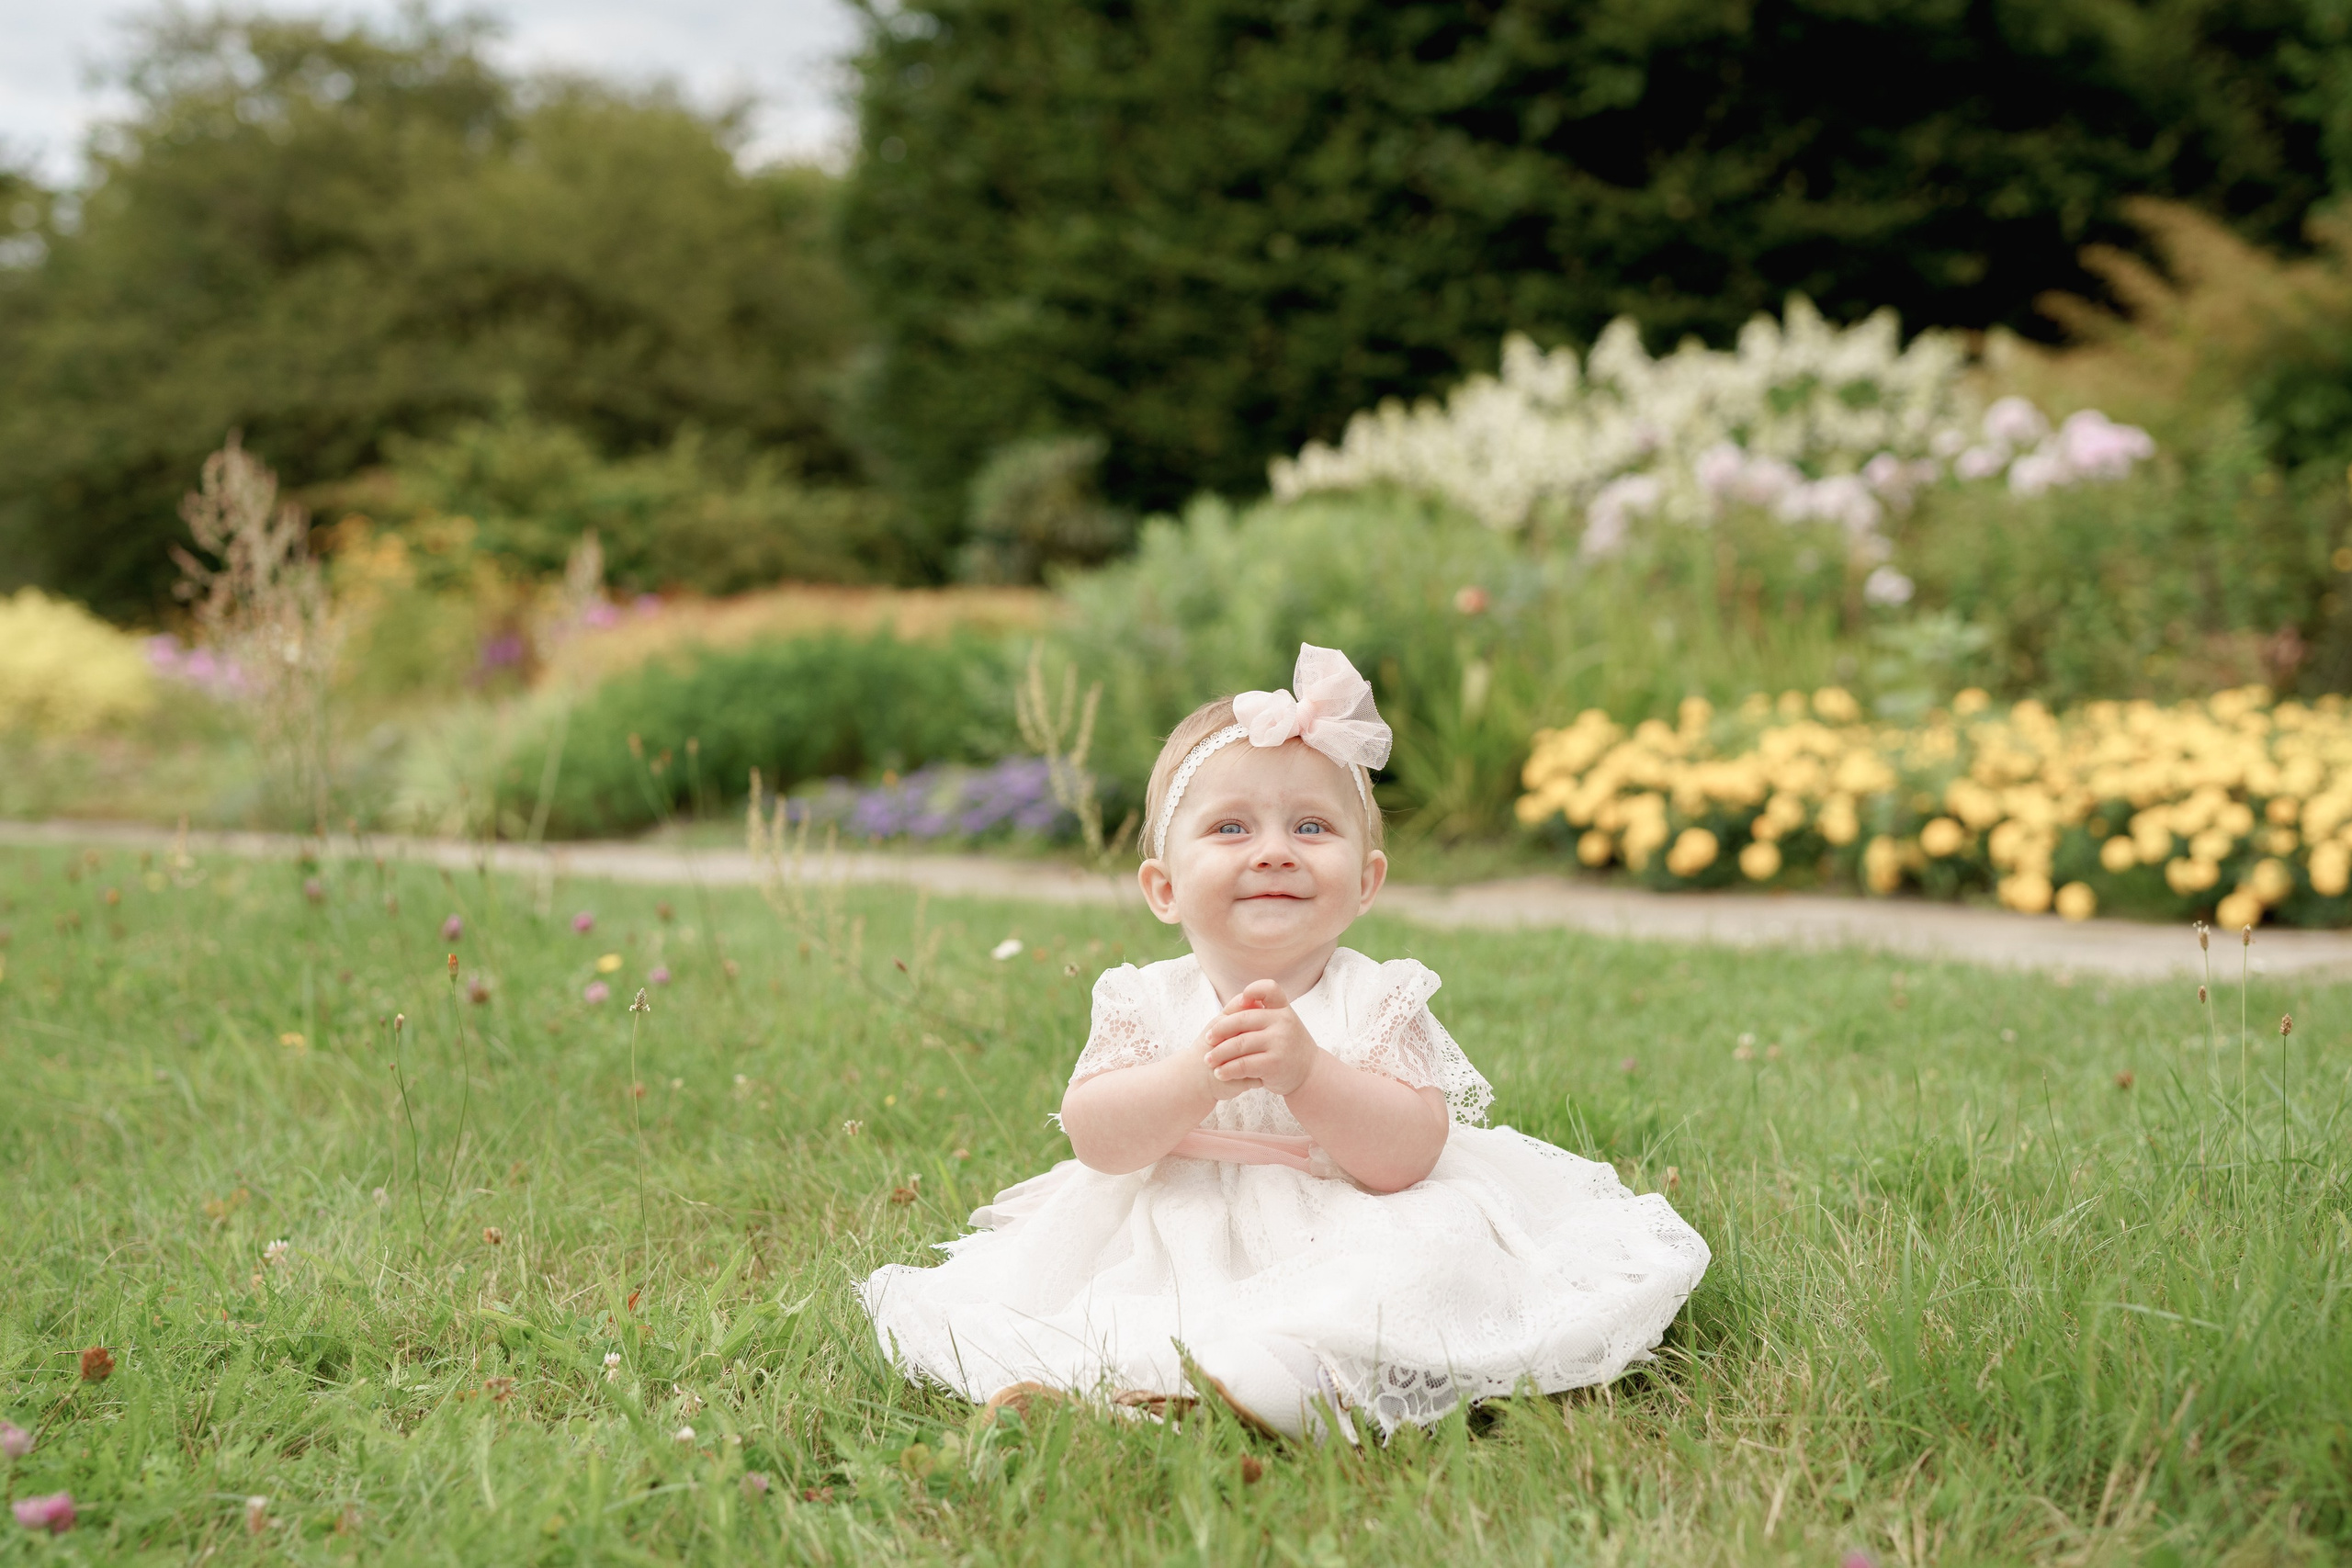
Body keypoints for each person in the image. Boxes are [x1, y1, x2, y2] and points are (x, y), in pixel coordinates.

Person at [859, 645, 1710, 1440]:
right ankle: (1132, 1389)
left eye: (1311, 828)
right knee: (1116, 1307)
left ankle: (1282, 1381)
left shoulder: (1379, 995)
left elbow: (1406, 1155)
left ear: (1366, 880)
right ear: (1163, 887)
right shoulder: (1143, 997)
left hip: (1346, 1214)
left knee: (1407, 1276)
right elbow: (1099, 1139)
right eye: (1231, 829)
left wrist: (1312, 1075)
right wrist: (1192, 1077)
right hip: (1179, 1223)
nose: (1273, 852)